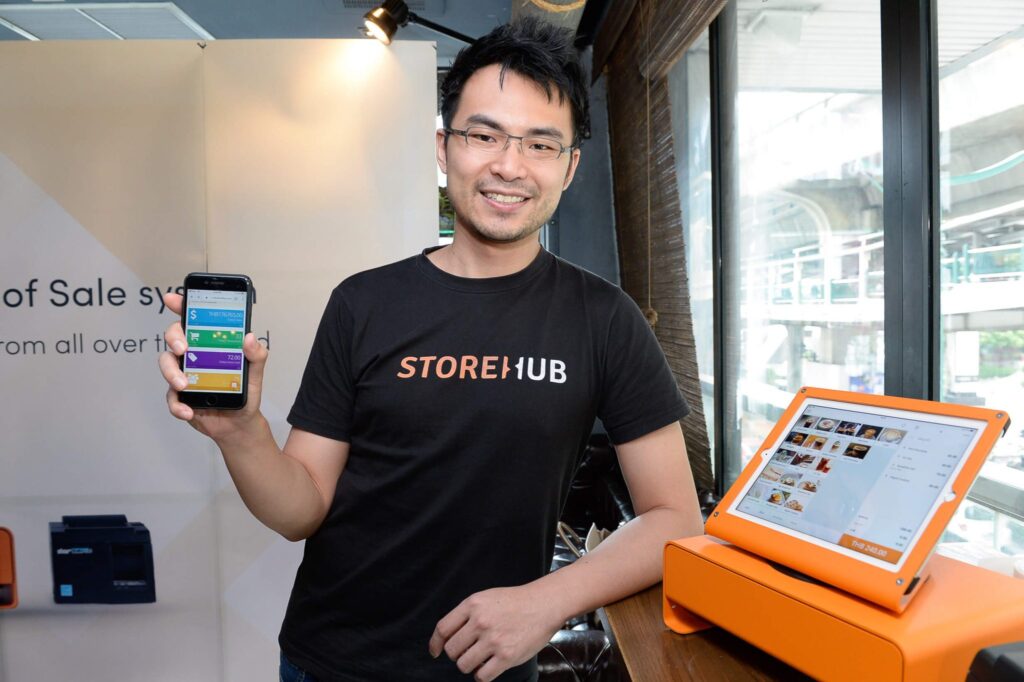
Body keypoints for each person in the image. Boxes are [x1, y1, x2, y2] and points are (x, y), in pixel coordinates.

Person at [159, 17, 702, 682]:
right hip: (330, 662)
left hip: (492, 666)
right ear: (445, 148)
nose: (509, 165)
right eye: (485, 135)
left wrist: (549, 601)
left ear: (569, 167)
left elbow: (675, 517)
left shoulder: (605, 318)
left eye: (540, 144)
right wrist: (241, 434)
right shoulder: (365, 302)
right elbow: (300, 510)